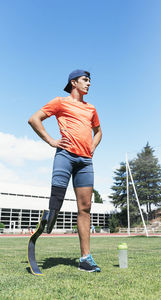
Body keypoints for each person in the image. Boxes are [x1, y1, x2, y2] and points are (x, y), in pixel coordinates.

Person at [28, 69, 102, 272]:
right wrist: (51, 140)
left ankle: (86, 259)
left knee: (85, 207)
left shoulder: (91, 108)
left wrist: (93, 146)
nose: (89, 84)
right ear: (74, 83)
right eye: (85, 80)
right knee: (56, 204)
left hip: (85, 162)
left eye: (89, 81)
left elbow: (98, 132)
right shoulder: (60, 102)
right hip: (65, 156)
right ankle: (46, 223)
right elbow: (34, 119)